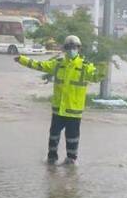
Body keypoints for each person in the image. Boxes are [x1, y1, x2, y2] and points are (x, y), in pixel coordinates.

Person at [14, 35, 104, 165]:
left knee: (72, 138)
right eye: (68, 47)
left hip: (74, 111)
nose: (71, 50)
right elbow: (39, 65)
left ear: (79, 49)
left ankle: (71, 161)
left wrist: (104, 66)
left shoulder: (85, 67)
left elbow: (96, 77)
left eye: (74, 47)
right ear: (64, 48)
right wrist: (22, 59)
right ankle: (51, 159)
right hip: (58, 110)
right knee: (53, 135)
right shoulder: (58, 64)